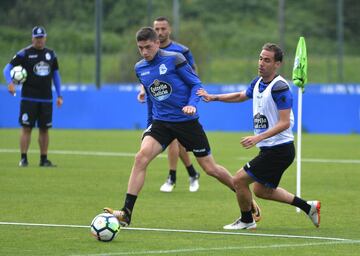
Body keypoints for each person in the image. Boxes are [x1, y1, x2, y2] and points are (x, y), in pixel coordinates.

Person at [104, 27, 261, 226]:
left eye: (148, 47)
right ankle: (127, 212)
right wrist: (148, 126)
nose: (144, 52)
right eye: (140, 48)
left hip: (187, 123)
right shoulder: (140, 68)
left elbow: (197, 85)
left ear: (157, 43)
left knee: (211, 169)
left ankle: (245, 198)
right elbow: (152, 98)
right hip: (161, 123)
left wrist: (191, 105)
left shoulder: (175, 59)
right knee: (140, 157)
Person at [197, 43, 321, 230]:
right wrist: (214, 97)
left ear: (277, 64)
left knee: (238, 180)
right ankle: (308, 207)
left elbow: (285, 122)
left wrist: (258, 137)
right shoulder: (257, 82)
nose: (261, 63)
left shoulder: (280, 88)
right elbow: (240, 95)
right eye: (260, 58)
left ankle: (247, 220)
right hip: (271, 148)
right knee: (262, 191)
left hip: (280, 149)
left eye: (267, 60)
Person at [137, 16, 200, 193]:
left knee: (181, 144)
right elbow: (150, 78)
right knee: (172, 141)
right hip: (163, 108)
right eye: (157, 28)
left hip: (183, 104)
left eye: (163, 28)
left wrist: (190, 101)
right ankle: (175, 176)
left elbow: (193, 75)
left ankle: (189, 173)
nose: (160, 32)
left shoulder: (180, 51)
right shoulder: (147, 53)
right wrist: (144, 90)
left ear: (169, 29)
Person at [3, 26, 63, 167]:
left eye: (41, 37)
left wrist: (60, 95)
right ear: (32, 38)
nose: (39, 40)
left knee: (44, 129)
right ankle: (23, 158)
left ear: (45, 38)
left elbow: (56, 75)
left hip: (46, 98)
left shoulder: (51, 55)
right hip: (29, 98)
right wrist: (10, 83)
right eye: (37, 38)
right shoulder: (25, 53)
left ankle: (44, 159)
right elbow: (7, 68)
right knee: (26, 128)